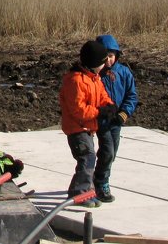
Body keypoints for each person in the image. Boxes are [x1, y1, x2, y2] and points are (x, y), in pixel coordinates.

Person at [59, 39, 116, 208]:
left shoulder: (94, 78)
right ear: (93, 63)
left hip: (88, 128)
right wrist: (99, 113)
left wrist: (109, 105)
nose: (104, 66)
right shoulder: (75, 81)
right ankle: (79, 193)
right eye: (102, 63)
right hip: (76, 128)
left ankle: (85, 190)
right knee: (87, 157)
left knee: (88, 159)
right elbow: (78, 110)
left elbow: (102, 95)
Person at [93, 33, 138, 203]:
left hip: (116, 121)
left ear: (116, 56)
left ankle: (101, 177)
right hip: (101, 121)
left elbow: (131, 96)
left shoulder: (124, 73)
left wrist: (124, 113)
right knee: (107, 151)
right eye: (105, 58)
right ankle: (101, 182)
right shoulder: (96, 75)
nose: (108, 61)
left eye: (111, 56)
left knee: (112, 153)